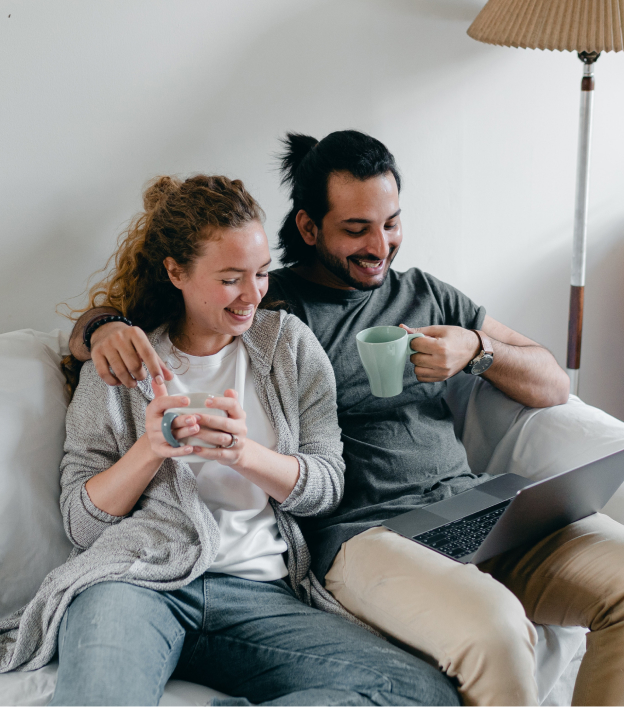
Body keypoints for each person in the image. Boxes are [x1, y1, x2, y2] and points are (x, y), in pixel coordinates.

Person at [67, 133, 624, 706]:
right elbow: (162, 312)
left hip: (469, 508)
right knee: (496, 632)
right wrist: (103, 325)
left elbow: (553, 383)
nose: (379, 245)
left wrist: (477, 349)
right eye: (356, 229)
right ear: (309, 229)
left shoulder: (412, 298)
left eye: (391, 223)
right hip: (367, 535)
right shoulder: (276, 309)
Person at [0, 174, 460, 706]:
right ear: (176, 272)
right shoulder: (123, 362)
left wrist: (245, 454)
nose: (253, 294)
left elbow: (327, 486)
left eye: (261, 273)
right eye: (231, 278)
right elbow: (81, 524)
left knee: (419, 692)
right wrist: (150, 450)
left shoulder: (288, 347)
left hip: (260, 594)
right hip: (137, 583)